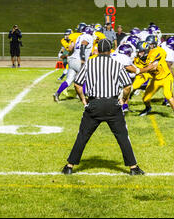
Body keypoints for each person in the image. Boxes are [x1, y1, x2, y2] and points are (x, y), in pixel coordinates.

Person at [61, 39, 144, 176]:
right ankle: (133, 167)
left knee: (83, 136)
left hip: (94, 104)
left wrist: (83, 99)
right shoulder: (117, 64)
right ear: (110, 50)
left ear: (98, 50)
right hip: (112, 104)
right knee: (122, 136)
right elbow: (128, 86)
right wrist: (123, 99)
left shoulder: (89, 64)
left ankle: (70, 166)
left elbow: (77, 84)